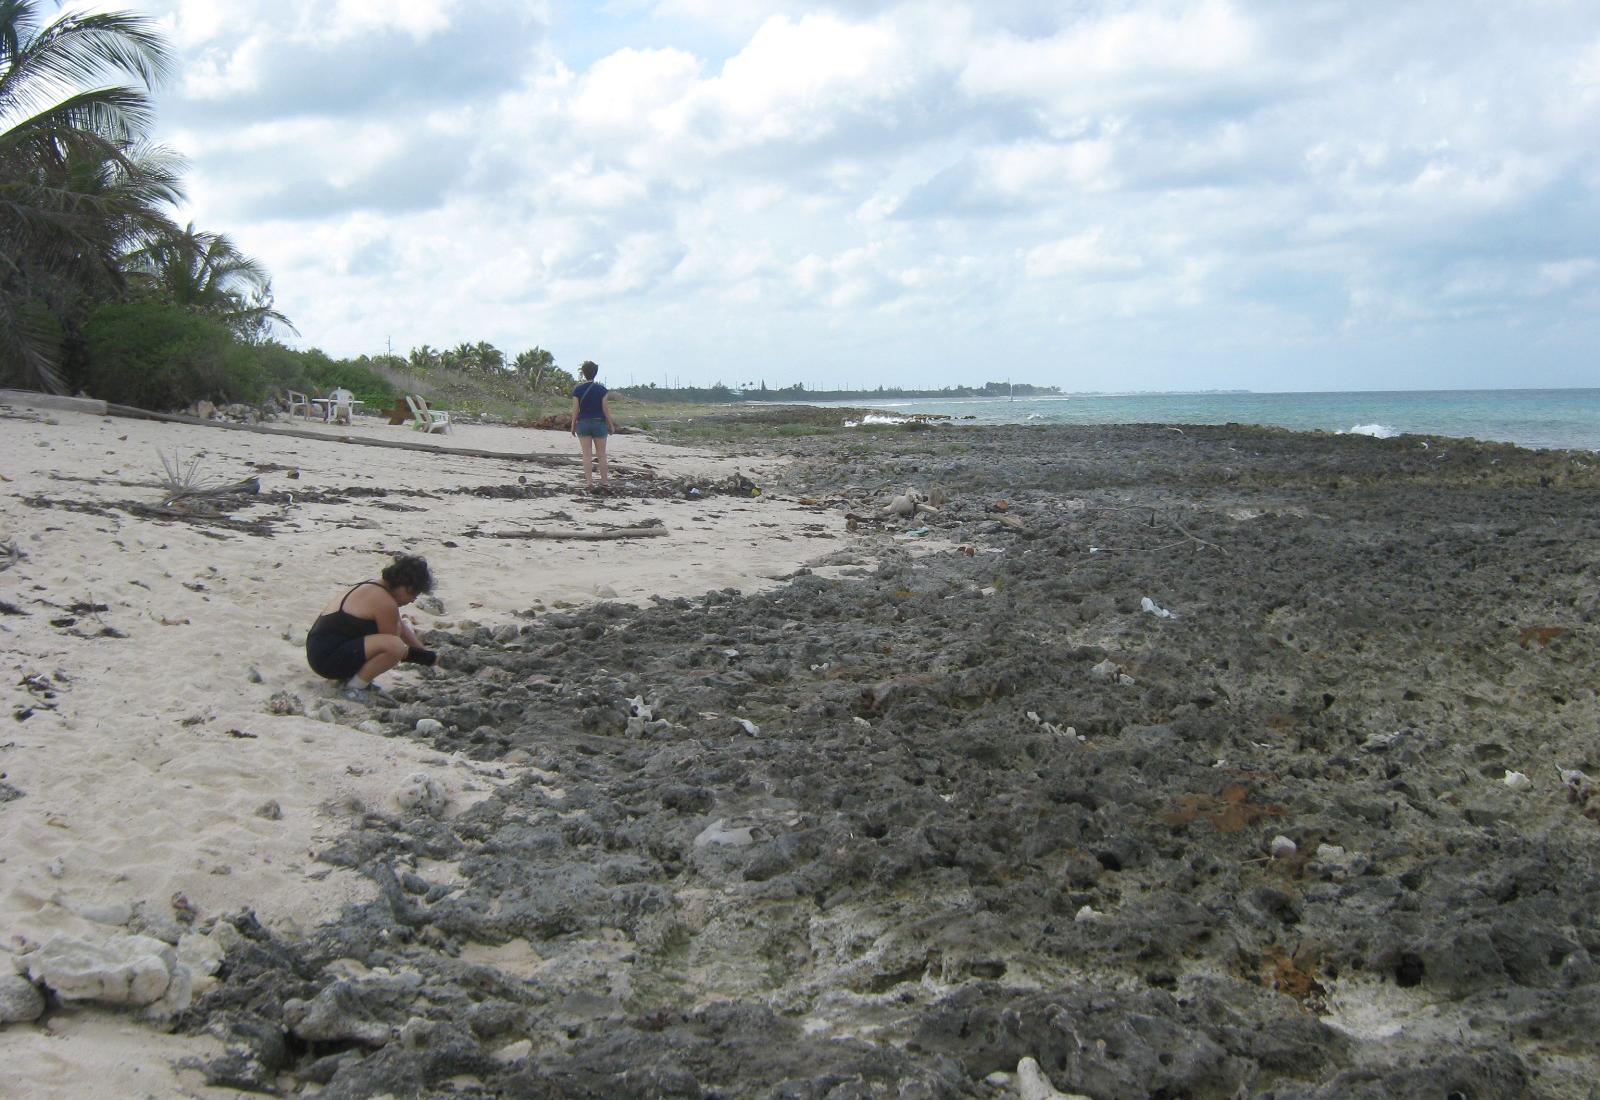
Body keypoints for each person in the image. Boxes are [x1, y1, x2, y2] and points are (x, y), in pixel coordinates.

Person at [306, 554, 438, 700]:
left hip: (319, 652)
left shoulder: (373, 587)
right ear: (404, 586)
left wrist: (424, 653)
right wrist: (424, 657)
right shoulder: (385, 601)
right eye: (414, 594)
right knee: (395, 646)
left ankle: (355, 680)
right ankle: (354, 688)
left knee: (392, 643)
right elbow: (395, 646)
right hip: (327, 659)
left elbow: (398, 623)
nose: (413, 600)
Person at [569, 360, 616, 490]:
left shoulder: (578, 390)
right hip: (599, 423)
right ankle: (605, 481)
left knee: (586, 455)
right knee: (601, 454)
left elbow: (575, 410)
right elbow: (605, 409)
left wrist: (572, 425)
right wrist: (611, 425)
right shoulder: (602, 390)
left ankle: (589, 482)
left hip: (583, 423)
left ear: (583, 373)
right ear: (595, 373)